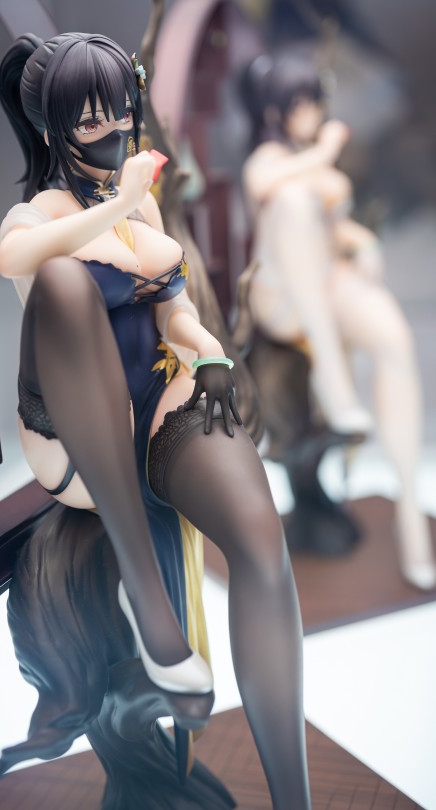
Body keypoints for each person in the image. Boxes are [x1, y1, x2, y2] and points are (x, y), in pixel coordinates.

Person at [0, 32, 311, 807]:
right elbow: (19, 260)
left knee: (261, 541)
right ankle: (149, 602)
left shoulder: (138, 204)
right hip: (72, 435)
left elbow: (173, 312)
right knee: (65, 283)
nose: (111, 132)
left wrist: (209, 351)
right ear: (52, 128)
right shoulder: (36, 215)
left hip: (156, 396)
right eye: (89, 119)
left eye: (119, 111)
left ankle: (294, 798)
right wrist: (123, 206)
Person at [238, 53, 435, 590]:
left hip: (326, 277)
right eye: (298, 103)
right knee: (293, 204)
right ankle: (331, 372)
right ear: (275, 110)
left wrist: (362, 240)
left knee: (393, 338)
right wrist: (325, 151)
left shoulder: (306, 158)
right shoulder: (270, 160)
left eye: (314, 101)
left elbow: (333, 227)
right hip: (282, 295)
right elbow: (265, 188)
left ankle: (412, 518)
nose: (311, 112)